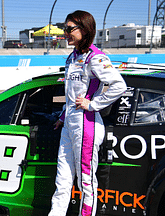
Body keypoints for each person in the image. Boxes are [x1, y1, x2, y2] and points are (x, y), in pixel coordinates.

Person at [49, 10, 127, 216]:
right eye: (64, 29)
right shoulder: (71, 57)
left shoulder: (96, 57)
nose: (65, 33)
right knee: (62, 179)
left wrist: (93, 104)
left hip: (88, 124)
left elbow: (119, 85)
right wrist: (63, 117)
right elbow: (71, 94)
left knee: (85, 180)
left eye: (69, 29)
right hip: (70, 124)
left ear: (84, 29)